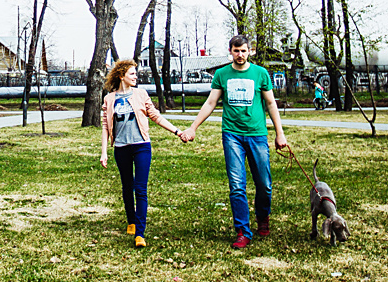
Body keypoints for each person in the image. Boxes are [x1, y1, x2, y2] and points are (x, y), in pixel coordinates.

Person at [178, 35, 288, 249]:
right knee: (237, 186)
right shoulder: (221, 74)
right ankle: (242, 230)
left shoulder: (261, 74)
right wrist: (193, 127)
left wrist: (279, 133)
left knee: (264, 184)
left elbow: (271, 104)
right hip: (232, 135)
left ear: (250, 51)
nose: (240, 55)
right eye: (236, 51)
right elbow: (211, 102)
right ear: (230, 51)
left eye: (244, 51)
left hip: (257, 134)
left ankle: (263, 216)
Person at [100, 59, 182, 248]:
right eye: (132, 74)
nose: (136, 76)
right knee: (127, 186)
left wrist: (177, 131)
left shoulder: (141, 94)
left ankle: (140, 233)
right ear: (122, 76)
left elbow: (156, 116)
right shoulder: (110, 99)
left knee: (141, 189)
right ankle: (131, 220)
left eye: (136, 74)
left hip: (141, 146)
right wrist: (104, 152)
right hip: (121, 148)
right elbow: (105, 126)